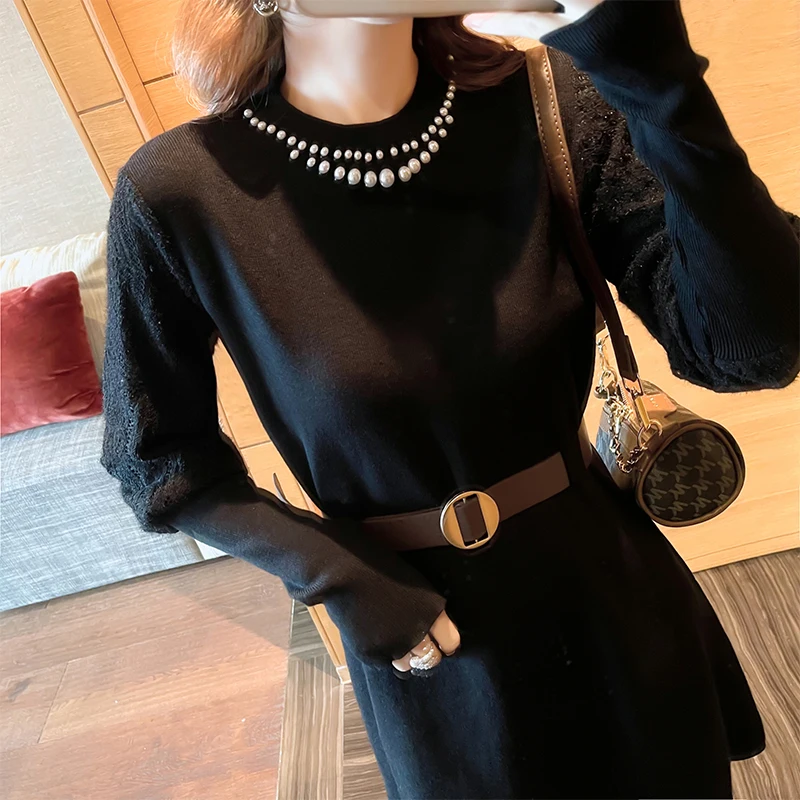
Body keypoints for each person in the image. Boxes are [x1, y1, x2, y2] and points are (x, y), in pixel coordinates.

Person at [99, 0, 799, 797]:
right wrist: (330, 572)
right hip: (431, 650)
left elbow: (749, 349)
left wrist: (661, 82)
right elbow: (158, 461)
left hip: (613, 605)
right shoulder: (178, 193)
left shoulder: (551, 101)